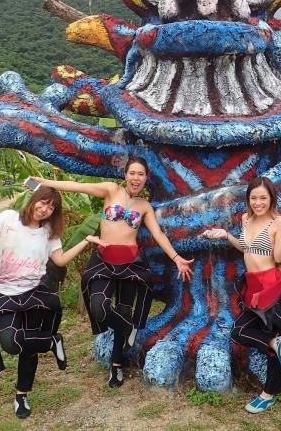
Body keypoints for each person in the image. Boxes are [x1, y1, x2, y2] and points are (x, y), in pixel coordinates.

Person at [32, 156, 194, 388]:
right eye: (132, 173)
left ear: (146, 178)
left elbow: (158, 235)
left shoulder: (144, 207)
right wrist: (44, 182)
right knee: (100, 306)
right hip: (104, 259)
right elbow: (79, 186)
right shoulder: (111, 190)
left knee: (125, 309)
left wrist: (177, 259)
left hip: (130, 262)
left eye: (141, 174)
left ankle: (116, 367)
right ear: (125, 175)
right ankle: (128, 329)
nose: (136, 178)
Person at [0, 186, 105, 419]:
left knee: (28, 346)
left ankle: (21, 395)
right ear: (33, 200)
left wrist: (87, 241)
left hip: (34, 292)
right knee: (11, 342)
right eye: (43, 202)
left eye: (51, 207)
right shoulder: (9, 219)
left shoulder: (50, 232)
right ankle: (51, 342)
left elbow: (60, 260)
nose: (45, 209)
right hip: (2, 291)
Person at [203, 176, 281, 414]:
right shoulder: (246, 219)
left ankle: (268, 393)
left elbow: (279, 257)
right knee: (240, 331)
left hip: (271, 285)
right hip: (252, 286)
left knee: (272, 333)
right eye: (254, 198)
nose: (258, 202)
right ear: (248, 199)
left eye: (263, 197)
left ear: (271, 198)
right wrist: (226, 236)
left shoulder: (278, 221)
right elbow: (247, 247)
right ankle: (274, 344)